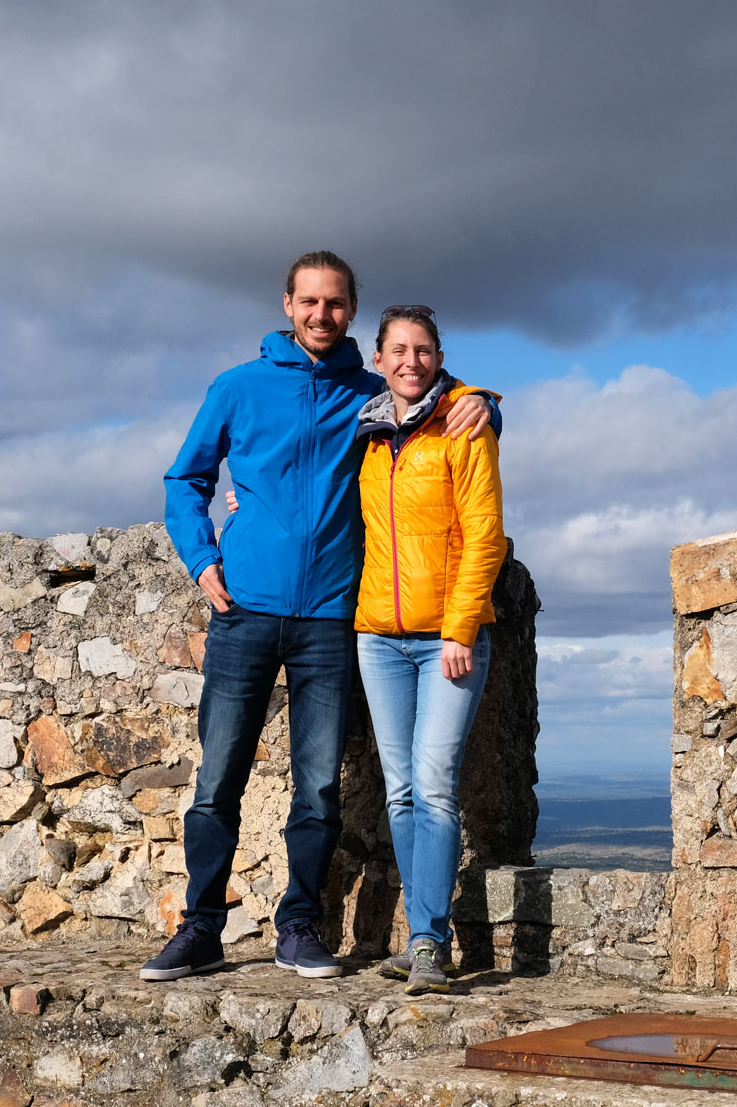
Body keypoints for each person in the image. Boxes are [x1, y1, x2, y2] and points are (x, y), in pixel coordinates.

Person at [144, 252, 497, 982]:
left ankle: (300, 928)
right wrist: (203, 557)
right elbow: (186, 478)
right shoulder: (238, 387)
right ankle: (201, 928)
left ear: (351, 314)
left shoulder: (367, 394)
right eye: (310, 301)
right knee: (217, 782)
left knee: (319, 787)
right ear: (287, 305)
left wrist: (487, 400)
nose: (321, 314)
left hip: (333, 617)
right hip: (243, 610)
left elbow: (429, 400)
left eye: (335, 304)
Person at [353, 304, 509, 995]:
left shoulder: (463, 422)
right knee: (402, 790)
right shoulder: (366, 431)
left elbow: (485, 534)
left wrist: (460, 626)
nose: (410, 360)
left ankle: (428, 943)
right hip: (377, 636)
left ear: (439, 356)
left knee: (436, 785)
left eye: (423, 349)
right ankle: (420, 939)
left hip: (448, 636)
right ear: (380, 358)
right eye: (398, 349)